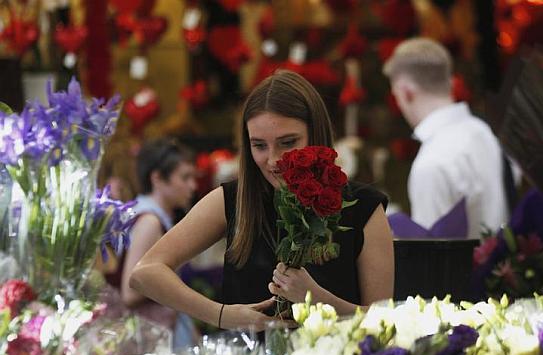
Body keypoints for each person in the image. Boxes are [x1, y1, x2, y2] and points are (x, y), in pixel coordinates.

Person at [129, 70, 394, 331]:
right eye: (259, 145)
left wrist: (318, 298)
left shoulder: (364, 207)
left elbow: (384, 322)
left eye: (287, 142)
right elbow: (144, 273)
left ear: (316, 134)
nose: (273, 159)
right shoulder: (233, 200)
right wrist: (220, 314)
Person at [383, 37, 509, 238]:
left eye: (395, 95)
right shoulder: (483, 131)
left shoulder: (432, 162)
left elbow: (432, 256)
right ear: (450, 83)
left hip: (466, 268)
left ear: (406, 92)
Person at [120, 138, 199, 348]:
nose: (193, 185)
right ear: (157, 178)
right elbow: (131, 290)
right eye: (185, 177)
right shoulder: (149, 222)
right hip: (153, 331)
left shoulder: (149, 215)